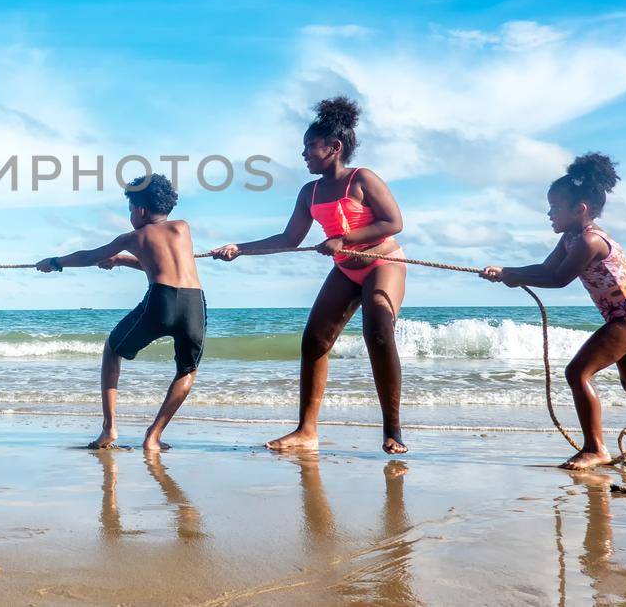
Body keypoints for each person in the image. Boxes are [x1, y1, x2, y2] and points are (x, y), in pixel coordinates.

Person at [211, 96, 409, 454]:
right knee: (314, 341)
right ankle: (307, 431)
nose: (303, 154)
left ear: (333, 148)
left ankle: (392, 430)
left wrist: (343, 238)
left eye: (309, 147)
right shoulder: (309, 192)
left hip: (384, 263)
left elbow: (393, 222)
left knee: (378, 329)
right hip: (346, 270)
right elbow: (289, 239)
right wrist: (239, 248)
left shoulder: (361, 178)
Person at [481, 153, 626, 469]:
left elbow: (559, 278)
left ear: (580, 210)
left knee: (577, 372)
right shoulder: (571, 238)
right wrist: (507, 270)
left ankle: (595, 448)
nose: (549, 213)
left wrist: (516, 276)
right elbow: (547, 267)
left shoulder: (590, 240)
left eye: (555, 208)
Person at [37, 173, 206, 453]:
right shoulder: (183, 228)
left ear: (140, 210)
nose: (130, 214)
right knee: (187, 370)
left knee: (113, 348)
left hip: (161, 300)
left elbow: (89, 256)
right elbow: (161, 263)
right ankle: (154, 435)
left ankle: (109, 427)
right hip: (194, 303)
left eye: (129, 209)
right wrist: (122, 261)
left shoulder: (133, 236)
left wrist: (55, 262)